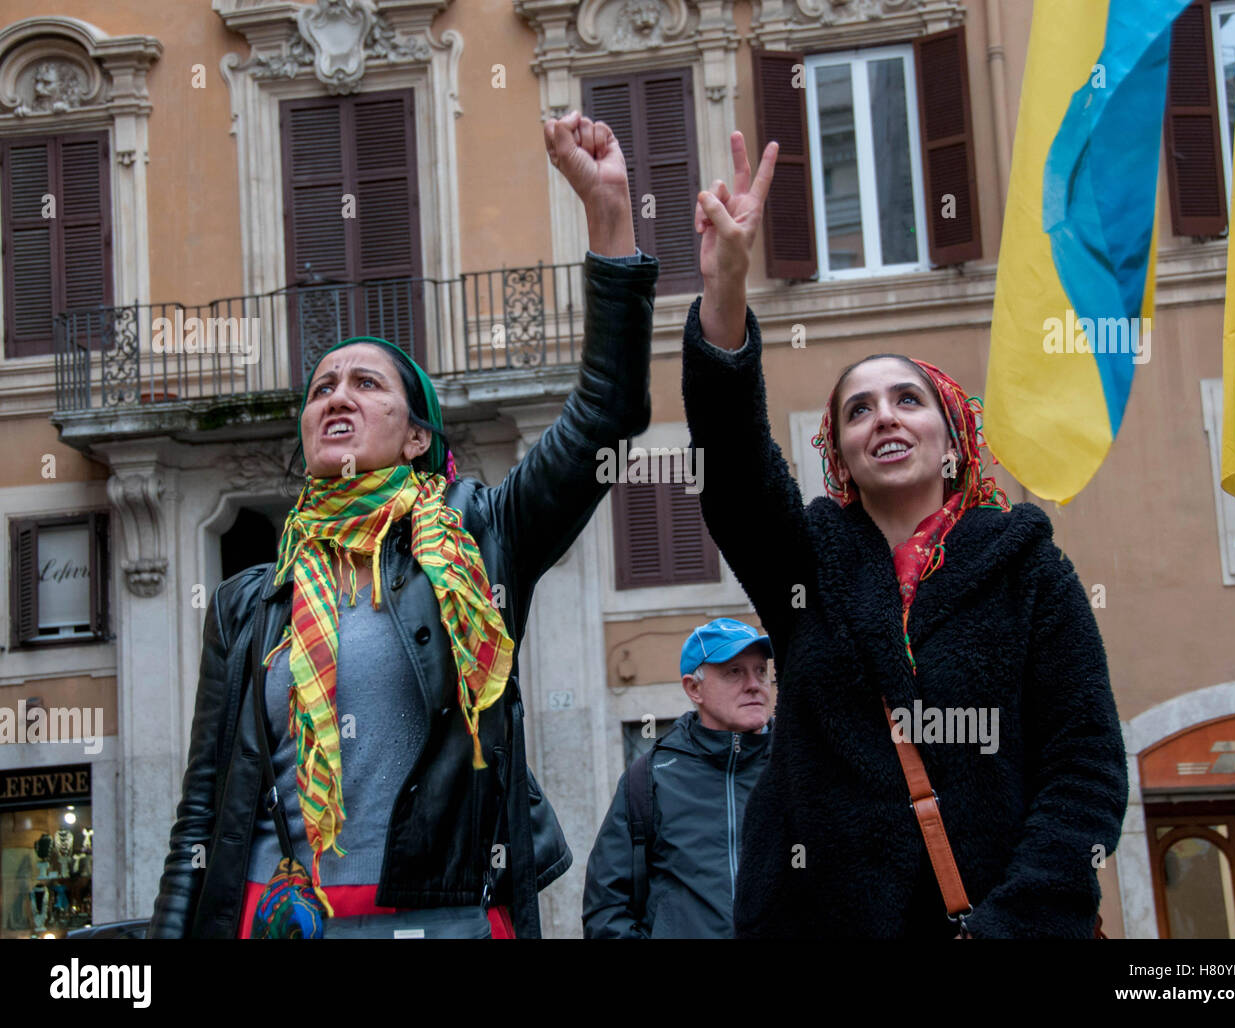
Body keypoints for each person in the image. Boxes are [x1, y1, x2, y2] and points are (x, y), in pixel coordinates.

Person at [148, 111, 660, 938]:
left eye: (365, 384)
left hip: (439, 917)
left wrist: (608, 223)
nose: (337, 396)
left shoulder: (480, 541)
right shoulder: (248, 601)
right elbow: (204, 803)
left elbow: (605, 415)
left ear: (417, 437)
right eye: (321, 389)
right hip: (271, 920)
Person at [679, 131, 1128, 938]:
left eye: (907, 399)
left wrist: (1015, 923)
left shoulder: (1031, 568)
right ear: (842, 456)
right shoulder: (805, 559)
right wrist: (726, 291)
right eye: (858, 409)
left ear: (953, 441)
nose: (883, 414)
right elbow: (736, 472)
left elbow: (1086, 768)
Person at [583, 618, 774, 938]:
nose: (754, 684)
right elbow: (606, 906)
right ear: (693, 688)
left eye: (761, 671)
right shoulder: (649, 778)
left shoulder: (798, 769)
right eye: (735, 672)